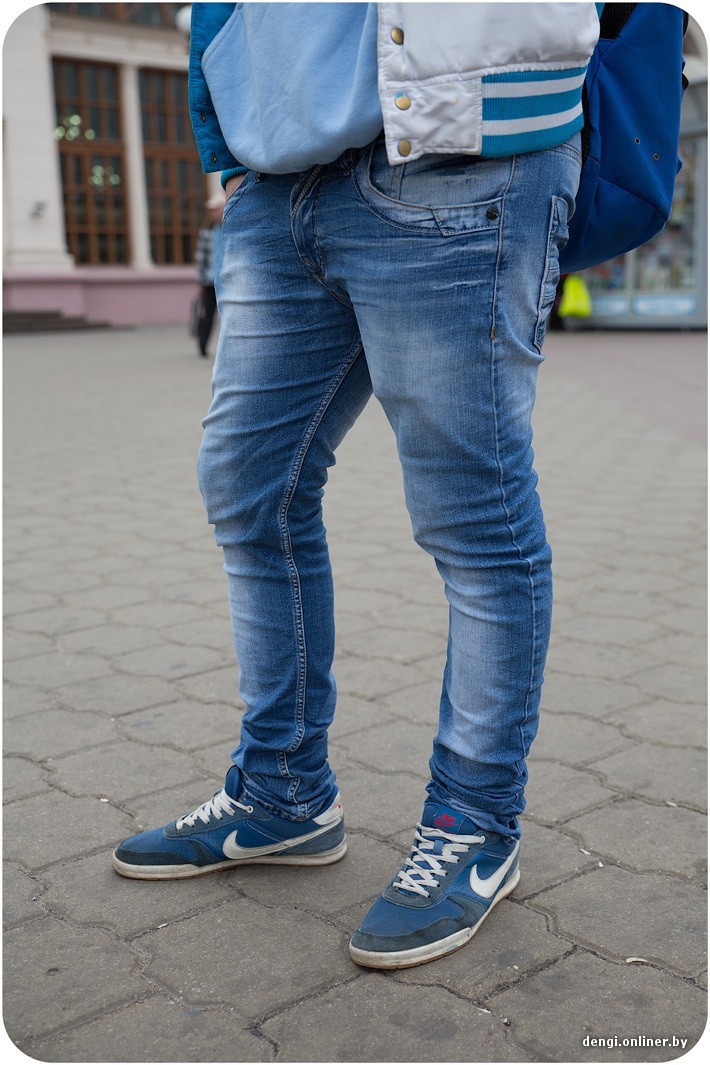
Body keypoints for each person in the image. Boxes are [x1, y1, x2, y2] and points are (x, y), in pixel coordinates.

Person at [113, 2, 600, 970]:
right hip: (275, 182)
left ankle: (472, 824)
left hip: (458, 157)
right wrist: (227, 148)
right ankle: (282, 794)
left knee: (474, 515)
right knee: (248, 490)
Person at [194, 193, 224, 357]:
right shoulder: (206, 232)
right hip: (210, 281)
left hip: (227, 281)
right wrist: (200, 283)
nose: (213, 213)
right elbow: (201, 260)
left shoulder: (230, 230)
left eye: (216, 209)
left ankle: (227, 349)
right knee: (207, 314)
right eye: (211, 210)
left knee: (228, 315)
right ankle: (202, 346)